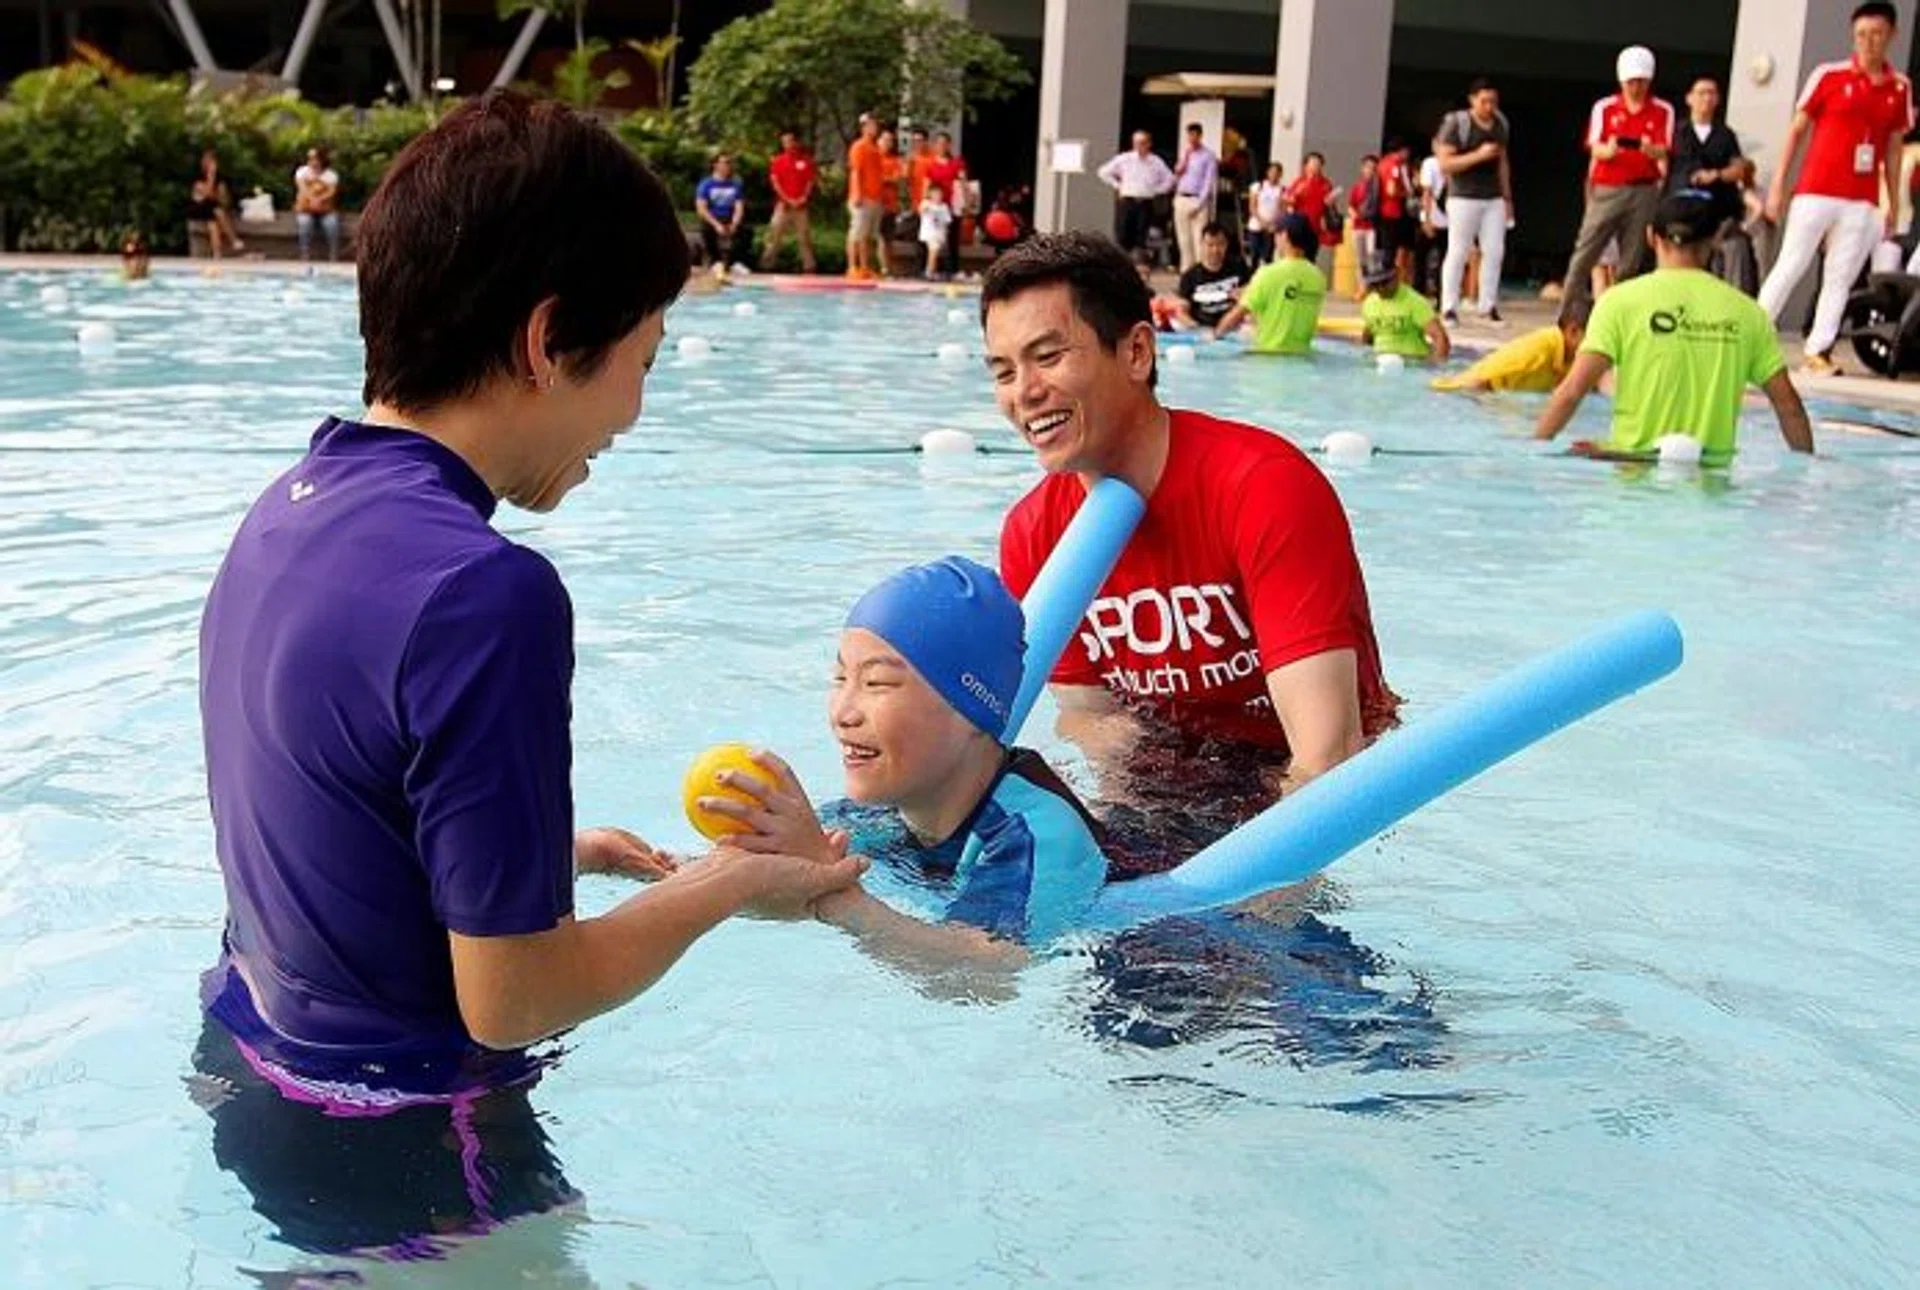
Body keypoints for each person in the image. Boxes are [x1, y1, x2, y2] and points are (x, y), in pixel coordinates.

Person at [196, 87, 861, 1150]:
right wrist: (735, 883)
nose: (633, 413)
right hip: (407, 1140)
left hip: (252, 1057)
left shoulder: (288, 509)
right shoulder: (484, 592)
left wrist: (547, 854)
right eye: (643, 361)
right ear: (550, 340)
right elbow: (515, 1000)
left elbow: (335, 809)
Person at [983, 232, 1400, 798]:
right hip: (1174, 773)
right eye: (1004, 372)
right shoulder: (1035, 535)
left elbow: (1328, 759)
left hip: (1293, 775)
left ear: (1136, 352)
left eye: (1048, 357)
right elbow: (1088, 718)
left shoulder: (1264, 487)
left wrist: (1239, 887)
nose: (1024, 393)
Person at [682, 558, 1108, 973]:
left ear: (971, 710)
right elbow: (785, 864)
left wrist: (836, 898)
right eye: (839, 679)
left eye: (876, 684)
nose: (843, 713)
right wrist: (662, 871)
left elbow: (988, 973)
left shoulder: (1035, 834)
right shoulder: (877, 814)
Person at [1536, 191, 1814, 464]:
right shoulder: (1748, 313)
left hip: (1633, 482)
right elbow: (1788, 404)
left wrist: (1532, 450)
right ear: (1715, 239)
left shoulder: (1618, 302)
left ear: (1651, 237)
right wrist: (1808, 468)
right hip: (1710, 486)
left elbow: (1571, 392)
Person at [1757, 2, 1915, 374]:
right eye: (1861, 34)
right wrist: (1779, 185)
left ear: (1891, 35)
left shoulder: (1899, 87)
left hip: (1861, 199)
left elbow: (1893, 148)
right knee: (1791, 263)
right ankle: (1755, 332)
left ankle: (1819, 349)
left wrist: (1891, 199)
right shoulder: (1829, 76)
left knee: (1840, 275)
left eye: (1876, 34)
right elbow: (1796, 132)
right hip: (1815, 190)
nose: (1868, 43)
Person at [1561, 46, 1676, 315]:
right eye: (1631, 82)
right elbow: (1593, 145)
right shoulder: (1605, 108)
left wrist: (1650, 149)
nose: (1636, 87)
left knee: (1631, 259)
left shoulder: (1662, 110)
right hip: (1608, 187)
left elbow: (1666, 148)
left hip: (1644, 188)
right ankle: (1567, 311)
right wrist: (1609, 151)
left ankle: (1617, 315)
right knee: (1586, 251)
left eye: (1642, 81)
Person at [1434, 77, 1514, 323]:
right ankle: (1449, 306)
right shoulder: (1456, 124)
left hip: (1493, 197)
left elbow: (1502, 161)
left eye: (1493, 101)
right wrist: (1477, 156)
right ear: (1472, 100)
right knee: (1458, 250)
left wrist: (1507, 196)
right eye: (1484, 101)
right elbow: (1446, 163)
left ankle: (1487, 305)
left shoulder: (1500, 123)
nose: (1489, 106)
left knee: (1494, 250)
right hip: (1463, 196)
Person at [1668, 76, 1758, 293]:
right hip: (1683, 211)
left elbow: (1739, 168)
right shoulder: (1676, 132)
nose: (1706, 98)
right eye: (1701, 93)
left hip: (1719, 211)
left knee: (1730, 256)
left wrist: (1716, 175)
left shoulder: (1725, 135)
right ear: (1689, 98)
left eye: (1711, 93)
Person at [1212, 213, 1325, 355]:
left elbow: (1237, 316)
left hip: (1269, 357)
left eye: (1276, 234)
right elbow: (1288, 309)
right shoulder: (1318, 277)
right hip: (1303, 357)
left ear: (1284, 235)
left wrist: (1215, 335)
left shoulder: (1268, 273)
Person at [1432, 300, 1588, 393]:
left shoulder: (1573, 355)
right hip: (1462, 392)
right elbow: (1478, 381)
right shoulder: (1538, 351)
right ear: (1573, 331)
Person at [1360, 251, 1451, 362]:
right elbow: (1368, 335)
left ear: (1397, 274)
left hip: (1412, 363)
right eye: (1374, 284)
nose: (1380, 288)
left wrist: (1435, 368)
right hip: (1380, 361)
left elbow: (1440, 337)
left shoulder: (1415, 301)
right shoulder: (1369, 303)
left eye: (1385, 282)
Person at [1098, 131, 1176, 254]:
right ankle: (1122, 263)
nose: (1139, 146)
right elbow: (1103, 172)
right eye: (1136, 143)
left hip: (1145, 201)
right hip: (1127, 201)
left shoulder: (1155, 161)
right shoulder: (1125, 158)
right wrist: (1118, 185)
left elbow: (1170, 179)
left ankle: (1140, 264)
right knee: (1123, 235)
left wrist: (1157, 190)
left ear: (1149, 144)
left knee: (1141, 236)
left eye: (1142, 143)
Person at [1173, 222, 1252, 330]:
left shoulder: (1239, 268)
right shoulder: (1189, 277)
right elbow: (1182, 312)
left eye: (1220, 244)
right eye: (1210, 245)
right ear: (1201, 244)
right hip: (1203, 327)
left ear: (1227, 244)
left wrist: (1245, 293)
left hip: (1235, 326)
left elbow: (1253, 297)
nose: (1215, 250)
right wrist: (1197, 329)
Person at [761, 128, 818, 273]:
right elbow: (775, 182)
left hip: (801, 205)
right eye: (785, 142)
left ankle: (809, 267)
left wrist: (803, 198)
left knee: (804, 237)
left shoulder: (806, 161)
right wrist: (786, 199)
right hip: (783, 205)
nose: (789, 144)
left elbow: (810, 182)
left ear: (796, 142)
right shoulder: (778, 161)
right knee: (774, 235)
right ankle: (767, 265)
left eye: (791, 141)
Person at [1172, 122, 1220, 273]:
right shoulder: (1186, 153)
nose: (1191, 138)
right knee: (1183, 240)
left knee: (1199, 238)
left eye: (1194, 135)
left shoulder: (1208, 155)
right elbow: (1177, 172)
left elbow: (1208, 181)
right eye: (1189, 135)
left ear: (1200, 135)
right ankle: (1186, 272)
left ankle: (1201, 271)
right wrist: (1185, 158)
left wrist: (1200, 203)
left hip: (1197, 199)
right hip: (1182, 197)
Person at [845, 113, 885, 280]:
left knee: (867, 235)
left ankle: (865, 266)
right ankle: (852, 266)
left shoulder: (875, 148)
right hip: (862, 196)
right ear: (863, 127)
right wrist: (857, 194)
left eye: (875, 125)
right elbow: (856, 171)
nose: (874, 128)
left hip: (875, 197)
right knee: (857, 232)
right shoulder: (858, 146)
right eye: (870, 125)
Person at [925, 131, 970, 277]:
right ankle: (932, 270)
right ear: (935, 145)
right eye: (939, 143)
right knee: (934, 239)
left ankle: (952, 270)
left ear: (949, 145)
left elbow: (964, 183)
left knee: (952, 239)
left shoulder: (957, 163)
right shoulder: (930, 164)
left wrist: (967, 202)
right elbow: (926, 185)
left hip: (952, 206)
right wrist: (924, 202)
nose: (942, 146)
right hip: (936, 207)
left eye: (945, 143)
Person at [1374, 138, 1416, 283]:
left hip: (1386, 211)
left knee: (1389, 247)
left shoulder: (1383, 163)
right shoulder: (1394, 165)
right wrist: (1407, 193)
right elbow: (1391, 190)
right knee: (1392, 249)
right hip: (1393, 211)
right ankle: (1389, 279)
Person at [188, 148, 245, 258]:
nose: (209, 164)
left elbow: (222, 199)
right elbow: (207, 193)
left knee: (213, 223)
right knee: (217, 212)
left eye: (211, 161)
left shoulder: (221, 180)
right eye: (207, 161)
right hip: (198, 207)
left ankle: (217, 254)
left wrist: (216, 194)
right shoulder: (198, 177)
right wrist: (211, 176)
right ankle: (234, 240)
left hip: (212, 209)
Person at [695, 152, 745, 271]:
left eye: (729, 163)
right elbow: (701, 208)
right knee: (707, 230)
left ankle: (734, 263)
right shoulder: (706, 184)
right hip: (712, 219)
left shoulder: (735, 184)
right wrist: (716, 225)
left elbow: (739, 207)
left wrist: (734, 224)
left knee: (744, 232)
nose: (728, 166)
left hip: (729, 218)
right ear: (716, 165)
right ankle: (715, 262)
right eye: (725, 162)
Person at [293, 145, 342, 264]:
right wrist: (312, 199)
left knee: (332, 225)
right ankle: (305, 256)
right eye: (310, 159)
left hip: (325, 210)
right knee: (305, 224)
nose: (312, 162)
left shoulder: (331, 175)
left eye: (315, 158)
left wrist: (319, 199)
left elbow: (332, 192)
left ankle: (333, 256)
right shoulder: (302, 172)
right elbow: (302, 188)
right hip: (306, 208)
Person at [1284, 152, 1336, 262]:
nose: (1316, 166)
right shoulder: (1299, 182)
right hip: (1299, 228)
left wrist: (1330, 204)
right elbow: (1288, 201)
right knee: (1295, 258)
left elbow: (1330, 208)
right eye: (1313, 163)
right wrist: (1294, 197)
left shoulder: (1326, 184)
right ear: (1306, 166)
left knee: (1310, 259)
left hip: (1315, 228)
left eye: (1319, 163)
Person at [1417, 147, 1449, 301]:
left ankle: (1441, 298)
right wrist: (1427, 219)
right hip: (1437, 218)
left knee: (1443, 263)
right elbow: (1427, 193)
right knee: (1423, 260)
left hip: (1448, 220)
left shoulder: (1433, 163)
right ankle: (1423, 296)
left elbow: (1426, 192)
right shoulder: (1431, 163)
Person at [1347, 154, 1380, 301]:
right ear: (1362, 169)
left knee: (1373, 256)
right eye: (1367, 167)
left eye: (1373, 168)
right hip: (1358, 226)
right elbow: (1350, 205)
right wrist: (1353, 214)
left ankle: (1373, 287)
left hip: (1372, 227)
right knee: (1361, 259)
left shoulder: (1379, 187)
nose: (1370, 170)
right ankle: (1362, 287)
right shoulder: (1357, 186)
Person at [1246, 162, 1287, 266]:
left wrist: (1275, 223)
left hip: (1272, 226)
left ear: (1280, 175)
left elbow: (1282, 210)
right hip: (1256, 224)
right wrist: (1261, 221)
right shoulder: (1258, 186)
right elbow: (1252, 206)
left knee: (1267, 256)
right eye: (1272, 172)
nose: (1274, 175)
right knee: (1254, 254)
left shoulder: (1282, 190)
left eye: (1277, 173)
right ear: (1267, 172)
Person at [918, 181, 954, 279]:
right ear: (930, 194)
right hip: (929, 233)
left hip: (939, 234)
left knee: (934, 252)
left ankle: (932, 271)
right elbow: (921, 210)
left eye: (939, 194)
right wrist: (926, 203)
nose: (937, 196)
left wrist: (945, 235)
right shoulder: (926, 203)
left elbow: (947, 221)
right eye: (935, 193)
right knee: (933, 251)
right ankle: (929, 272)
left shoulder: (944, 207)